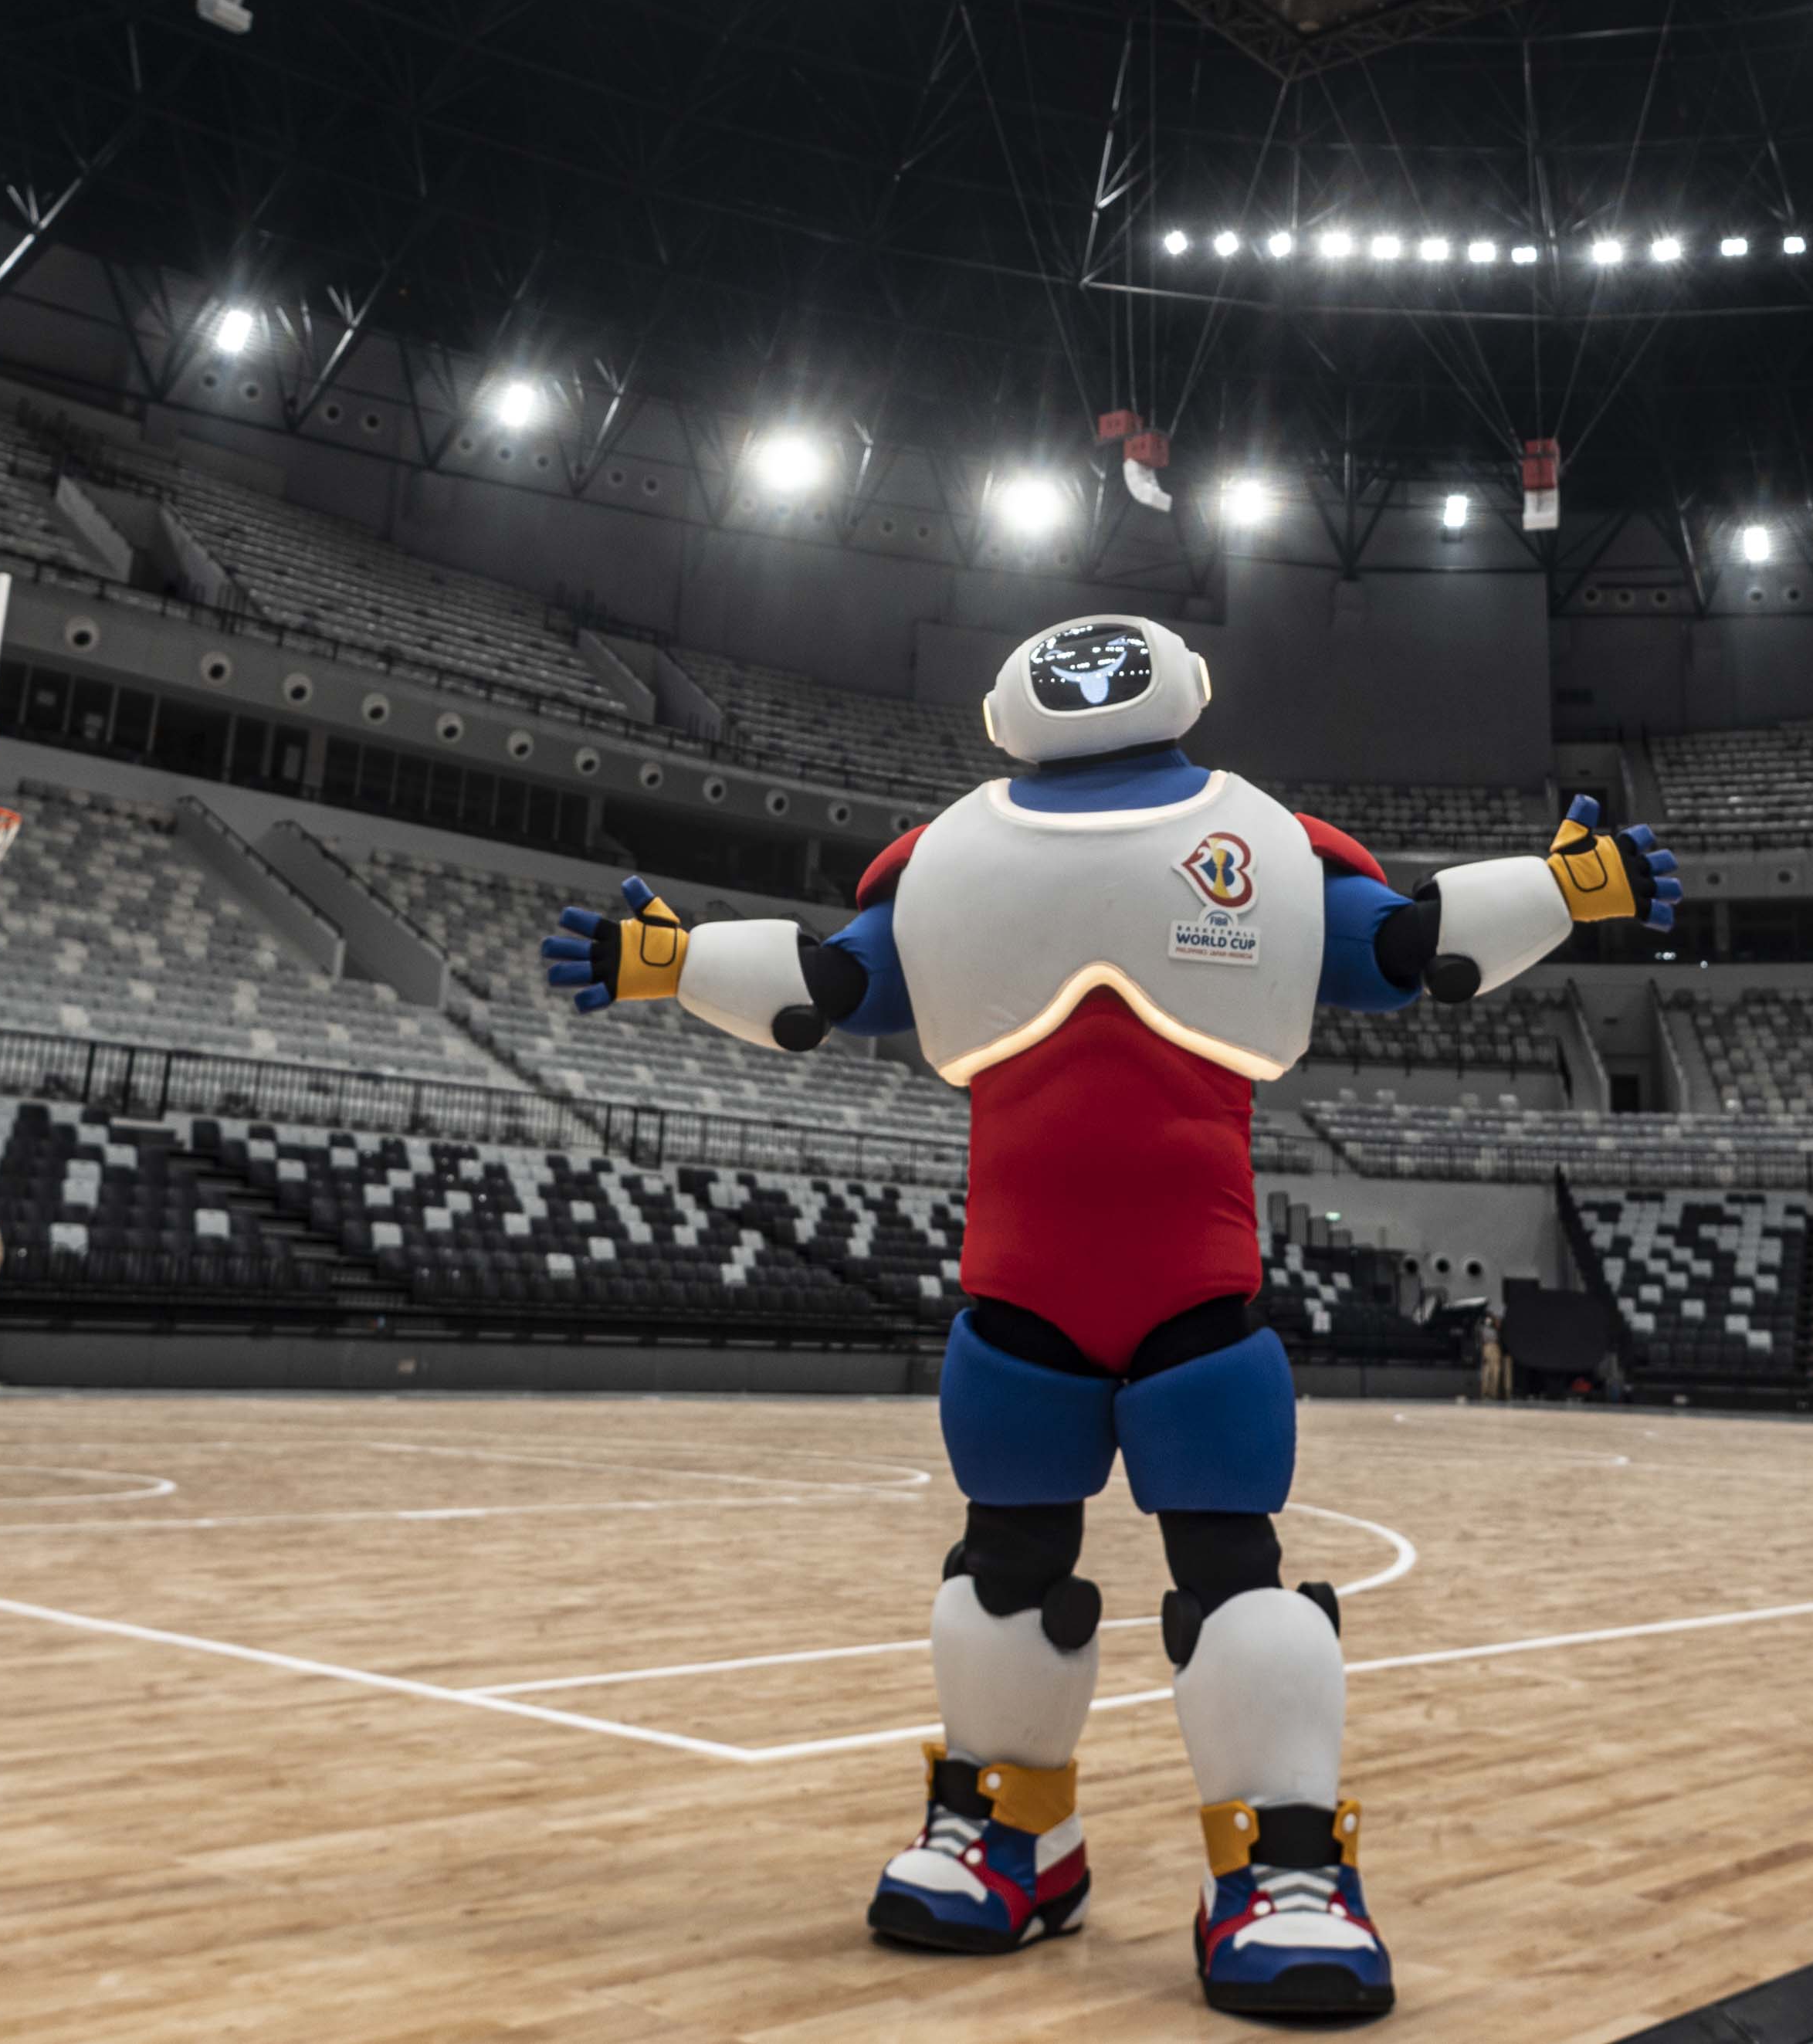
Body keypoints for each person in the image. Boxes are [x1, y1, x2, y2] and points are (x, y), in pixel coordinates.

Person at [545, 614, 1679, 2019]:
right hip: (1035, 1292)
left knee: (1225, 1571)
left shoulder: (1116, 847)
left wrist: (672, 961)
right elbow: (1420, 944)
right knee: (1012, 1565)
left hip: (1175, 1291)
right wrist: (1566, 889)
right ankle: (1014, 1826)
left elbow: (1407, 946)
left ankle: (1276, 1859)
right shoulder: (1124, 849)